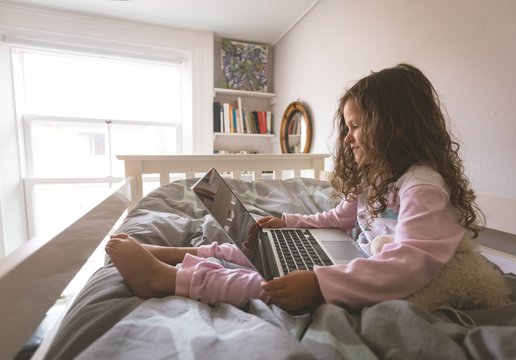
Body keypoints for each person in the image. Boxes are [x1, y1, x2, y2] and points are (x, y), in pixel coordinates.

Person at [106, 63, 484, 312]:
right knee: (262, 242)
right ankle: (177, 252)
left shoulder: (422, 186)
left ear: (395, 125)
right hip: (354, 254)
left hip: (370, 268)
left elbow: (410, 264)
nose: (349, 138)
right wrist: (287, 221)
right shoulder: (377, 175)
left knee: (269, 282)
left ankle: (170, 279)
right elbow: (339, 217)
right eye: (347, 128)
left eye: (355, 127)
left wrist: (321, 283)